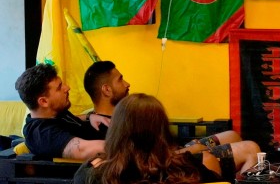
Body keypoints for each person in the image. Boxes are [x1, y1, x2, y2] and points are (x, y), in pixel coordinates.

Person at [83, 60, 260, 173]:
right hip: (168, 161)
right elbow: (143, 156)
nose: (127, 83)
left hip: (173, 151)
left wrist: (88, 115)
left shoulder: (98, 117)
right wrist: (190, 151)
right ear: (106, 89)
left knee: (232, 135)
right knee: (251, 148)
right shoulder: (112, 126)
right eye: (120, 80)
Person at [71, 94, 227, 184]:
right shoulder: (187, 168)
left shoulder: (89, 177)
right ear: (162, 131)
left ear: (116, 132)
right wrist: (210, 161)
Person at [15, 63, 108, 160]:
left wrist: (89, 116)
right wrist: (122, 144)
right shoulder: (42, 134)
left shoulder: (54, 113)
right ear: (44, 101)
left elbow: (69, 121)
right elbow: (82, 150)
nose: (67, 88)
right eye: (59, 87)